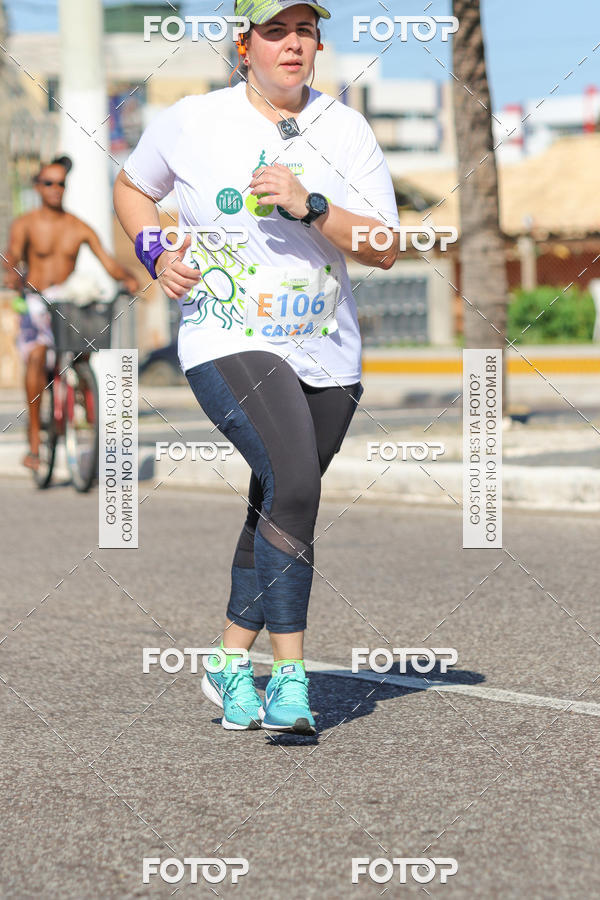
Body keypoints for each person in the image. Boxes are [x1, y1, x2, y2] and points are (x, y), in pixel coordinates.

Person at [113, 0, 401, 734]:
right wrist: (155, 254)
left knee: (280, 498)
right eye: (276, 31)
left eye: (306, 30)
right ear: (245, 46)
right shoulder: (193, 120)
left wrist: (312, 207)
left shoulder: (346, 128)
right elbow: (132, 187)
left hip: (327, 351)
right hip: (226, 333)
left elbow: (385, 244)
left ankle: (229, 660)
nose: (294, 44)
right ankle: (291, 680)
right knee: (297, 484)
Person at [2, 156, 139, 471]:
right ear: (38, 187)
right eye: (49, 183)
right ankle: (35, 442)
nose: (55, 189)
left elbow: (108, 262)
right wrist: (11, 272)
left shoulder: (77, 227)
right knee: (36, 357)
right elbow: (13, 254)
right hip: (36, 299)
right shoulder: (26, 223)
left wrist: (128, 277)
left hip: (66, 301)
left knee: (82, 351)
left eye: (61, 183)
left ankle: (81, 396)